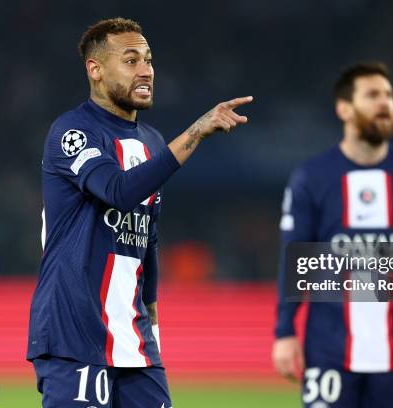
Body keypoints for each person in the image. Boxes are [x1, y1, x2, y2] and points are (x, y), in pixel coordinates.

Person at [27, 17, 252, 407]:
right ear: (95, 70)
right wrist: (195, 133)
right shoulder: (72, 131)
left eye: (148, 59)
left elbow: (147, 242)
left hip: (135, 344)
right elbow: (118, 191)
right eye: (131, 60)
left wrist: (154, 326)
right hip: (73, 336)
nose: (146, 70)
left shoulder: (151, 141)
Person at [272, 62, 393, 408]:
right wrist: (285, 331)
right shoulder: (312, 177)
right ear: (344, 109)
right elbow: (295, 261)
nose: (385, 103)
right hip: (328, 351)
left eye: (389, 95)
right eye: (372, 95)